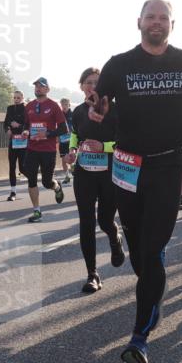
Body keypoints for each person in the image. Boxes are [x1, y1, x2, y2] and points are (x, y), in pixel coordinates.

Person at [92, 0, 182, 363]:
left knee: (152, 252)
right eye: (150, 17)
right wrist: (97, 111)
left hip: (168, 164)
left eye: (163, 18)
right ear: (139, 22)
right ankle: (153, 285)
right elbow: (100, 106)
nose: (156, 22)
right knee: (139, 252)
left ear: (172, 24)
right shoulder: (119, 64)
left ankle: (139, 337)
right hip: (127, 165)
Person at [64, 67, 124, 292]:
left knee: (105, 220)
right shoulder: (79, 111)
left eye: (97, 82)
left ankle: (115, 237)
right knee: (86, 222)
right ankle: (92, 274)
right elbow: (75, 135)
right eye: (88, 82)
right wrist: (72, 151)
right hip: (84, 173)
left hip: (110, 173)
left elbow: (125, 141)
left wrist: (104, 147)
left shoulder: (116, 110)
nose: (92, 86)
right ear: (81, 86)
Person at [23, 76, 67, 222]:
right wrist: (25, 132)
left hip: (48, 150)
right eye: (36, 86)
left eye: (41, 86)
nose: (38, 88)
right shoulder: (29, 106)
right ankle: (37, 211)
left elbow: (63, 129)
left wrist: (47, 134)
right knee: (31, 179)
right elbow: (26, 124)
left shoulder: (54, 106)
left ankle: (57, 187)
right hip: (32, 148)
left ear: (47, 89)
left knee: (47, 182)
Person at [4, 89, 27, 201]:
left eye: (18, 98)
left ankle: (33, 179)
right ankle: (13, 192)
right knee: (12, 166)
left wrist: (19, 126)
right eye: (14, 98)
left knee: (22, 168)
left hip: (23, 141)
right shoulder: (10, 108)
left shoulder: (26, 109)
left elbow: (28, 124)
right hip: (13, 141)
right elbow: (6, 123)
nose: (16, 100)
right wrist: (8, 129)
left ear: (22, 98)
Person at [59, 97, 74, 183]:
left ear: (69, 105)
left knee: (71, 159)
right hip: (62, 140)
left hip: (72, 141)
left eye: (66, 104)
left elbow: (77, 127)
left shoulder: (73, 114)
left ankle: (73, 171)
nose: (64, 106)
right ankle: (67, 176)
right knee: (63, 160)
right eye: (62, 105)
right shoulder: (59, 115)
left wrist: (72, 131)